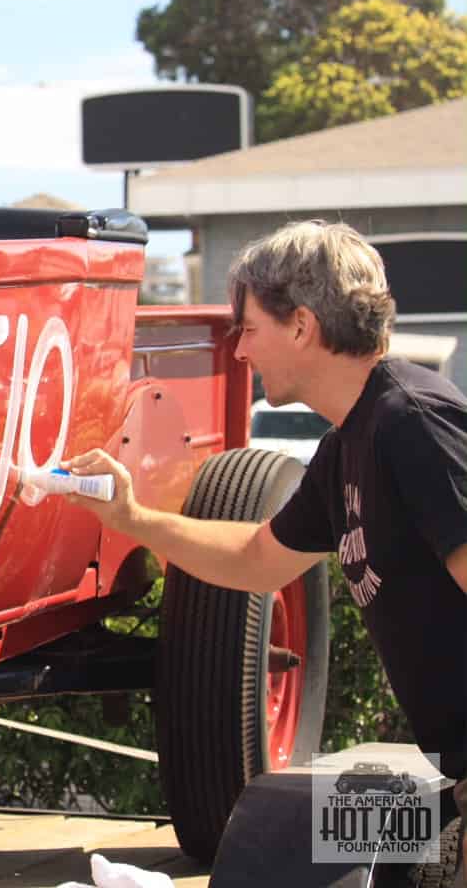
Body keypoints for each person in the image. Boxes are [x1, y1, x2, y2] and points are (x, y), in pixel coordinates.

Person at [63, 220, 467, 878]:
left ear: (302, 325)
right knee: (275, 830)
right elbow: (257, 558)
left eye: (249, 329)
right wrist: (131, 517)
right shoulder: (348, 447)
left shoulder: (412, 422)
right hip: (450, 784)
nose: (241, 350)